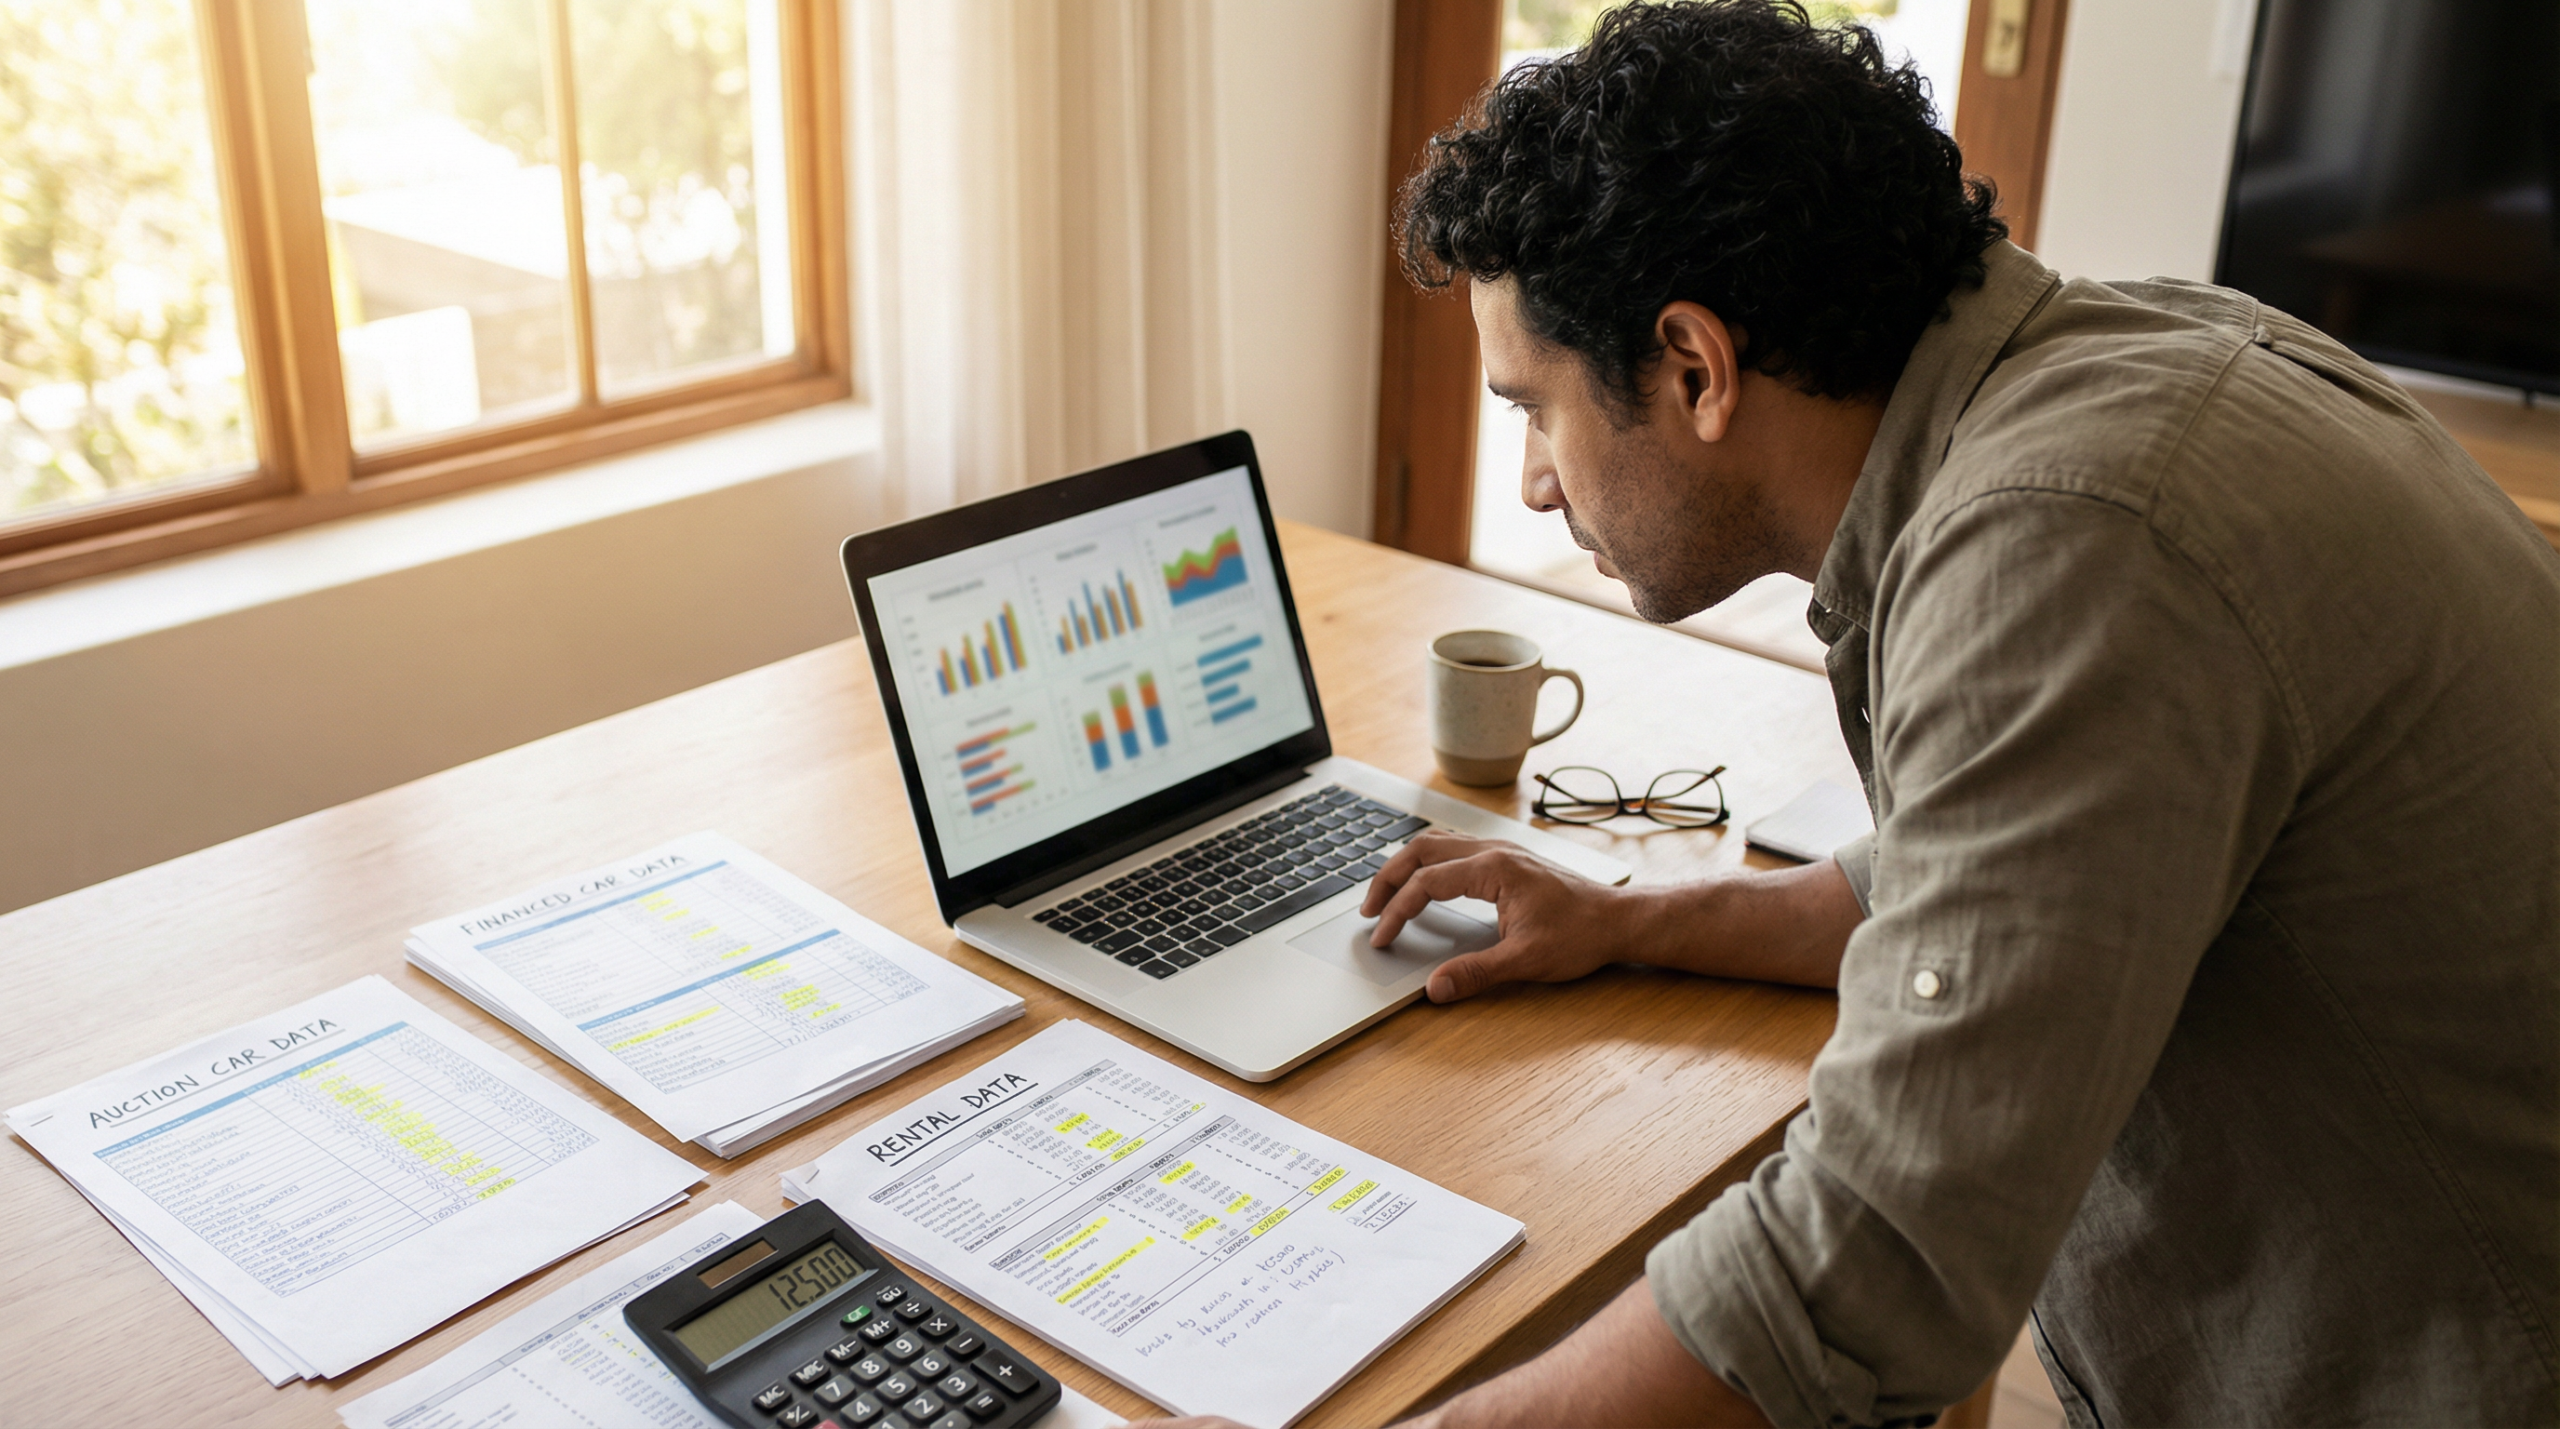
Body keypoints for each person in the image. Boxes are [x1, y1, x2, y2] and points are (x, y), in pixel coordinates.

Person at [1137, 1, 2558, 1425]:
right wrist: (1627, 919)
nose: (1533, 485)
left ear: (1695, 368)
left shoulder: (2071, 544)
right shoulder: (2136, 360)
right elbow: (1978, 887)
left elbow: (1873, 1268)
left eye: (1534, 407)